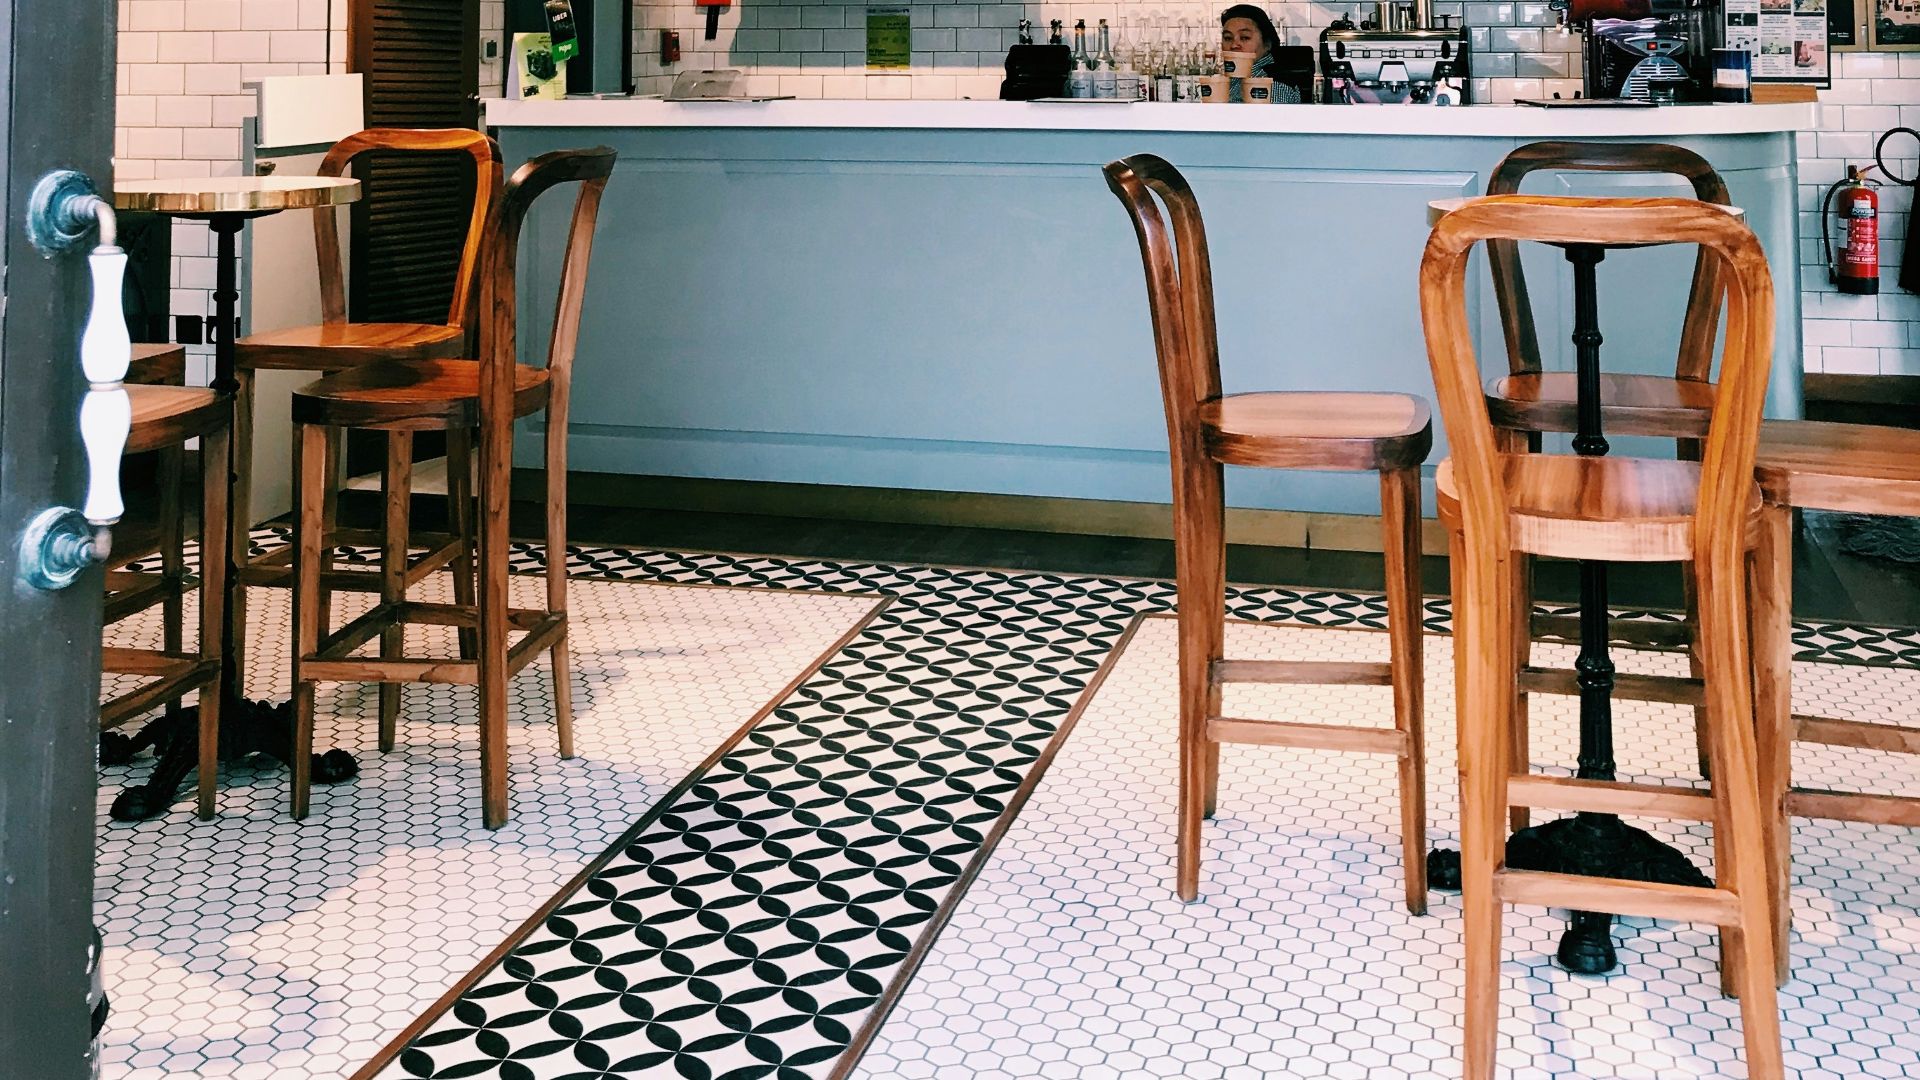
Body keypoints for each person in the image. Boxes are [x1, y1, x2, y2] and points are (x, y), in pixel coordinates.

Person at [1220, 4, 1302, 102]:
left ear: (1267, 44)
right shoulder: (1229, 79)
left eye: (1245, 37)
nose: (1234, 45)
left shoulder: (1273, 85)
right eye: (1228, 38)